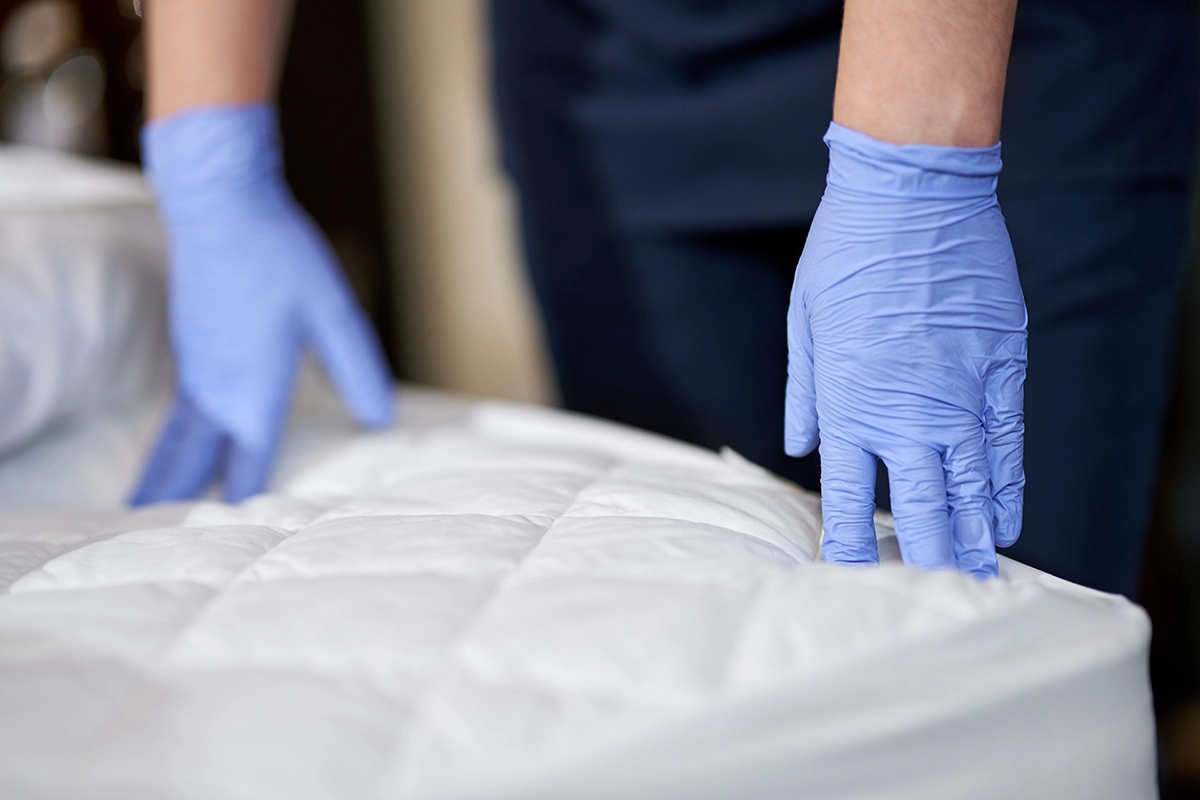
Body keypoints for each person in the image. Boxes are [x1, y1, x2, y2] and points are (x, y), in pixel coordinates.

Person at [131, 0, 1197, 596]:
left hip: (1009, 57)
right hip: (617, 78)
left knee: (1008, 659)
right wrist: (206, 147)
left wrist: (917, 166)